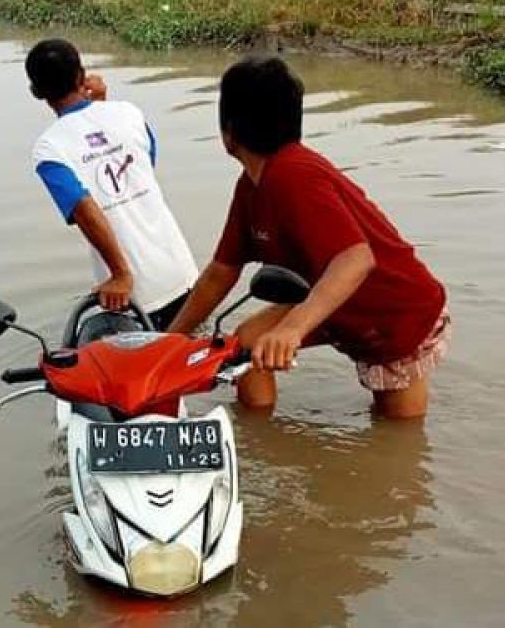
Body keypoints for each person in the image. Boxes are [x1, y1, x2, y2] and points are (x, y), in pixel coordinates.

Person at [167, 55, 450, 420]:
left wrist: (292, 330)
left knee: (397, 437)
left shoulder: (294, 177)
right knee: (247, 345)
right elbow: (221, 271)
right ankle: (261, 437)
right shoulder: (251, 187)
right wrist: (170, 342)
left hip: (396, 318)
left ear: (228, 132)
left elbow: (356, 258)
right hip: (329, 302)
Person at [27, 39, 198, 330]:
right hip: (182, 274)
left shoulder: (49, 148)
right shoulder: (128, 113)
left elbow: (84, 209)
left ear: (36, 91)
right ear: (81, 76)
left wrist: (120, 274)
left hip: (134, 297)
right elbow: (139, 170)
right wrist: (101, 106)